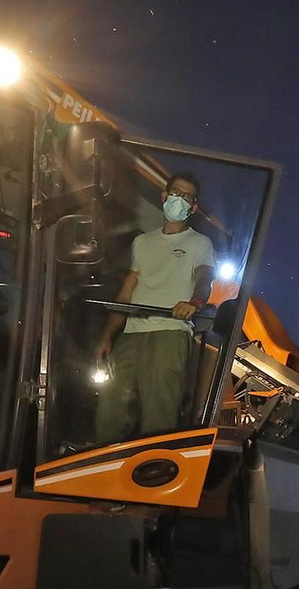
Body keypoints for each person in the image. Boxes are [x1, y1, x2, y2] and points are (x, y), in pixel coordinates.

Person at [93, 172, 215, 441]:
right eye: (175, 193)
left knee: (159, 416)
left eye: (186, 197)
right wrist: (107, 336)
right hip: (132, 334)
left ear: (193, 207)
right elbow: (127, 292)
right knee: (110, 411)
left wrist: (194, 302)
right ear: (164, 196)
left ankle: (154, 474)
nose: (179, 200)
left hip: (170, 333)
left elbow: (205, 278)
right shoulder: (142, 242)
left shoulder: (199, 243)